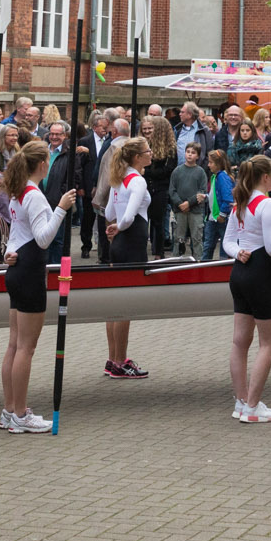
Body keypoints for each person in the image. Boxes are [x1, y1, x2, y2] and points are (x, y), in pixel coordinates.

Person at [0, 139, 73, 434]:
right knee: (25, 348)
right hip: (30, 271)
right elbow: (43, 238)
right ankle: (20, 413)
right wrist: (62, 209)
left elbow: (17, 234)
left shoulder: (19, 193)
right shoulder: (35, 196)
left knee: (15, 344)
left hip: (17, 268)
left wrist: (8, 252)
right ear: (43, 165)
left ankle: (9, 410)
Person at [219, 152, 271, 423]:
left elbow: (227, 242)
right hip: (260, 274)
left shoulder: (240, 202)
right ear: (265, 177)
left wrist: (238, 251)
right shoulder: (267, 205)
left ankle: (241, 402)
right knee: (268, 343)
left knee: (240, 342)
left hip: (239, 274)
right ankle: (252, 406)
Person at [100, 136, 153, 379]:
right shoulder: (138, 181)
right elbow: (129, 217)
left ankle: (113, 359)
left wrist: (114, 227)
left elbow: (109, 211)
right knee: (125, 306)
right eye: (147, 150)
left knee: (114, 303)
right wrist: (120, 227)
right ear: (136, 157)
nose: (151, 153)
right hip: (131, 243)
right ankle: (120, 361)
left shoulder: (119, 180)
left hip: (119, 245)